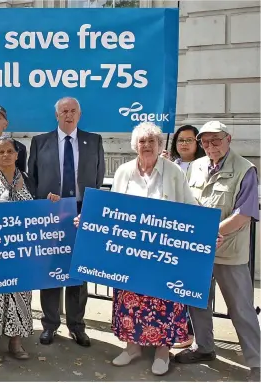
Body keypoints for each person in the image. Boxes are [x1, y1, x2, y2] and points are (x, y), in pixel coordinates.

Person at [85, 122, 221, 376]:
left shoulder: (173, 172)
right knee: (129, 300)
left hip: (163, 256)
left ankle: (162, 351)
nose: (146, 146)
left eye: (151, 141)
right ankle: (132, 347)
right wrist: (90, 220)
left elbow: (190, 208)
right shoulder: (124, 171)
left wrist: (209, 233)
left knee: (164, 302)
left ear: (160, 145)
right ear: (135, 145)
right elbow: (112, 208)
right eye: (142, 141)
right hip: (130, 254)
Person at [175, 121, 260, 382]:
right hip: (198, 250)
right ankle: (204, 347)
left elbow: (244, 214)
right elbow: (186, 202)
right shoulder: (196, 167)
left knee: (241, 308)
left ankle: (256, 361)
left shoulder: (245, 169)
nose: (210, 146)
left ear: (228, 139)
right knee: (197, 301)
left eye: (216, 140)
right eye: (206, 142)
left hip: (229, 252)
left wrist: (211, 232)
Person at [28, 97, 105, 347]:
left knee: (78, 272)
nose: (68, 115)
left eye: (73, 111)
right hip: (52, 213)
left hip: (82, 212)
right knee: (51, 271)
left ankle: (77, 326)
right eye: (64, 111)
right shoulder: (40, 142)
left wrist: (91, 210)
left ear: (79, 115)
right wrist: (43, 203)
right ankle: (50, 325)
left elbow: (99, 177)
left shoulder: (94, 141)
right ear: (57, 115)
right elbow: (33, 180)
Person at [0, 136, 41, 362]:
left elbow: (38, 213)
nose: (5, 155)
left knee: (21, 294)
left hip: (22, 252)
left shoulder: (30, 181)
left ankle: (16, 341)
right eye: (0, 152)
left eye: (9, 151)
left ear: (17, 154)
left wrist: (51, 202)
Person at [162, 124, 206, 349]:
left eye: (189, 140)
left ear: (197, 143)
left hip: (193, 232)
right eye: (180, 140)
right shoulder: (170, 165)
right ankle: (178, 329)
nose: (184, 144)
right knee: (174, 285)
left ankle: (193, 333)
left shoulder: (205, 165)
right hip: (172, 234)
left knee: (191, 285)